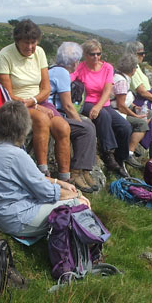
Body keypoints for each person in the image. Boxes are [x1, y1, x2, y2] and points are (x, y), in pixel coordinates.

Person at [0, 101, 91, 237]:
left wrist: (58, 182)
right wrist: (77, 195)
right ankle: (80, 252)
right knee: (81, 205)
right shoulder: (16, 155)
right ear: (24, 127)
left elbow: (33, 178)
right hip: (18, 218)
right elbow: (46, 193)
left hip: (2, 213)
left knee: (71, 200)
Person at [0, 19, 71, 181]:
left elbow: (46, 89)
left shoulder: (40, 53)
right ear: (17, 41)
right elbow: (6, 93)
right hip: (15, 105)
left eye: (33, 43)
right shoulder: (5, 56)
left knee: (63, 128)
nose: (30, 47)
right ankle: (43, 172)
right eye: (26, 43)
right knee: (42, 120)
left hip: (36, 101)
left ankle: (65, 177)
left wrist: (34, 102)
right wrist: (33, 106)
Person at [71, 39, 134, 175]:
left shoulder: (107, 68)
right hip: (86, 102)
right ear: (85, 55)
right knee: (104, 116)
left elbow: (107, 90)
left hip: (103, 103)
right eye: (92, 54)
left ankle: (121, 158)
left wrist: (98, 106)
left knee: (125, 127)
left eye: (98, 54)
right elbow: (69, 77)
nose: (96, 57)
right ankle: (108, 154)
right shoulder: (80, 67)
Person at [48, 42, 98, 193]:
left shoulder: (53, 70)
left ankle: (84, 171)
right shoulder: (62, 73)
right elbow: (68, 106)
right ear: (74, 61)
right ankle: (77, 173)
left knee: (88, 125)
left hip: (52, 112)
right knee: (86, 129)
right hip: (53, 114)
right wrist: (79, 120)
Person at [125, 41, 152, 158]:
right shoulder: (132, 68)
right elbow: (141, 91)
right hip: (144, 106)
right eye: (141, 53)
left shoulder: (138, 67)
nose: (144, 55)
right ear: (132, 54)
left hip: (150, 106)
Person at [111, 52, 150, 168]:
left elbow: (121, 98)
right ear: (133, 69)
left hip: (116, 110)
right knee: (142, 124)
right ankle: (129, 153)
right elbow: (121, 105)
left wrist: (134, 106)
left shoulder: (118, 76)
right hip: (116, 112)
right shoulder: (122, 82)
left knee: (146, 116)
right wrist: (136, 115)